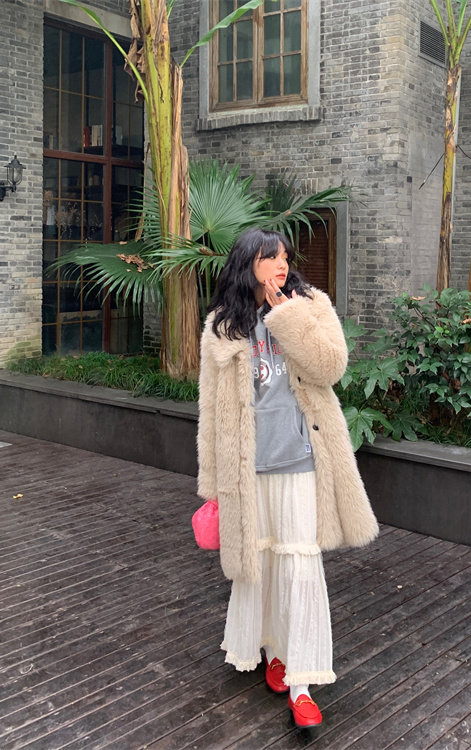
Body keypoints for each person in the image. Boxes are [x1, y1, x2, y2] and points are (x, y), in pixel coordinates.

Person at [196, 227, 379, 729]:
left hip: (300, 461)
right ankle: (273, 652)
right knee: (259, 565)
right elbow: (210, 410)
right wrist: (211, 485)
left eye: (284, 257)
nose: (282, 264)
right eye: (270, 257)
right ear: (246, 264)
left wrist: (288, 317)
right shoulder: (223, 324)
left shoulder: (309, 305)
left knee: (298, 566)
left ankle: (301, 682)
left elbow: (331, 367)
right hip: (247, 470)